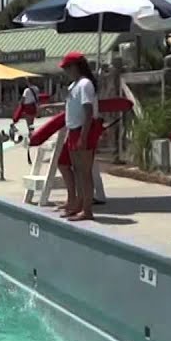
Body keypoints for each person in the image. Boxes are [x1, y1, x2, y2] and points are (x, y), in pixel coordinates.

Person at [56, 51, 103, 221]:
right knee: (77, 170)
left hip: (83, 130)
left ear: (76, 67)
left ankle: (87, 210)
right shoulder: (74, 85)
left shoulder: (85, 84)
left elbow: (88, 111)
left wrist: (83, 136)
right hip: (74, 130)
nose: (66, 71)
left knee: (84, 172)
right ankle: (79, 204)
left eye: (68, 67)